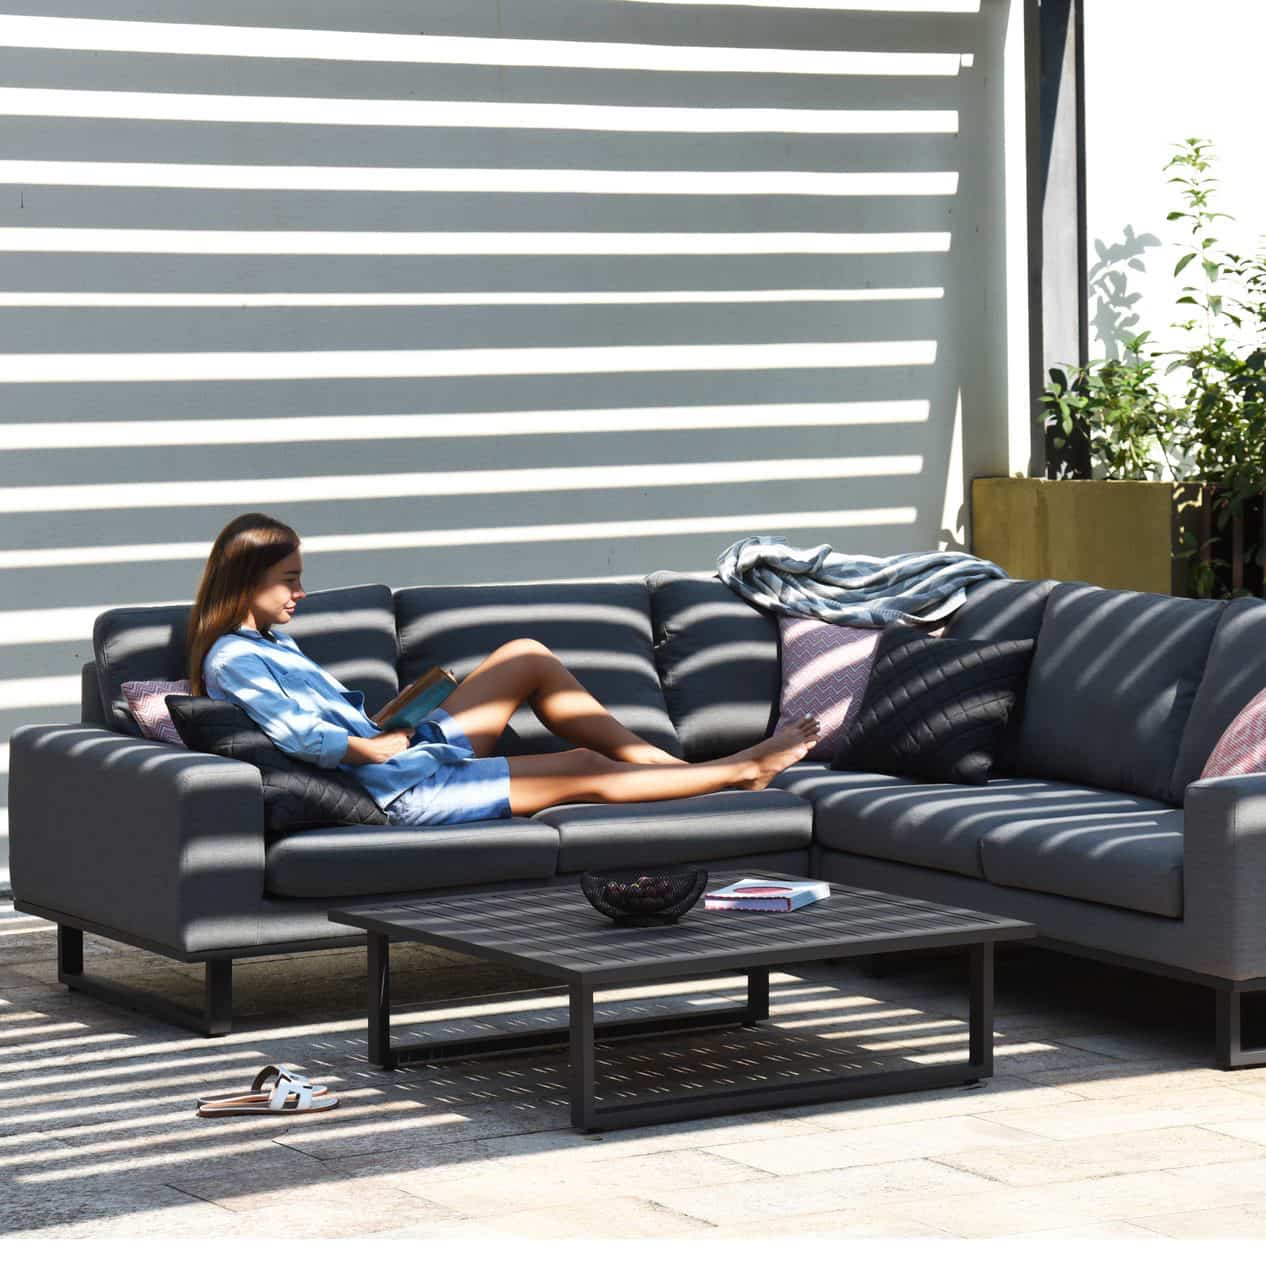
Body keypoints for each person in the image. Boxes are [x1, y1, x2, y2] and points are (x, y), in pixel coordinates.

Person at [187, 513, 820, 828]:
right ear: (246, 582)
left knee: (524, 655)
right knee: (584, 768)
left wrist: (387, 723)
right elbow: (301, 737)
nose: (301, 593)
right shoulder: (235, 659)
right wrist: (372, 746)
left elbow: (320, 724)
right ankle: (737, 772)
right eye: (290, 580)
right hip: (403, 791)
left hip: (405, 757)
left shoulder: (268, 642)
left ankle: (674, 771)